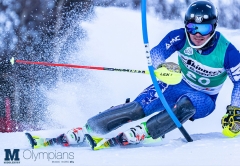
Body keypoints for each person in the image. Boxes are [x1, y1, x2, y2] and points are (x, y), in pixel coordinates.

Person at [32, 0, 240, 148]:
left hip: (203, 98)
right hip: (177, 84)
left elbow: (239, 82)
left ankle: (146, 131)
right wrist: (162, 67)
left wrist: (235, 110)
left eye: (203, 28)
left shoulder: (228, 52)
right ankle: (91, 127)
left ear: (213, 27)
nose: (196, 34)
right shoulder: (179, 37)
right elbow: (157, 53)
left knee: (185, 105)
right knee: (137, 107)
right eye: (192, 27)